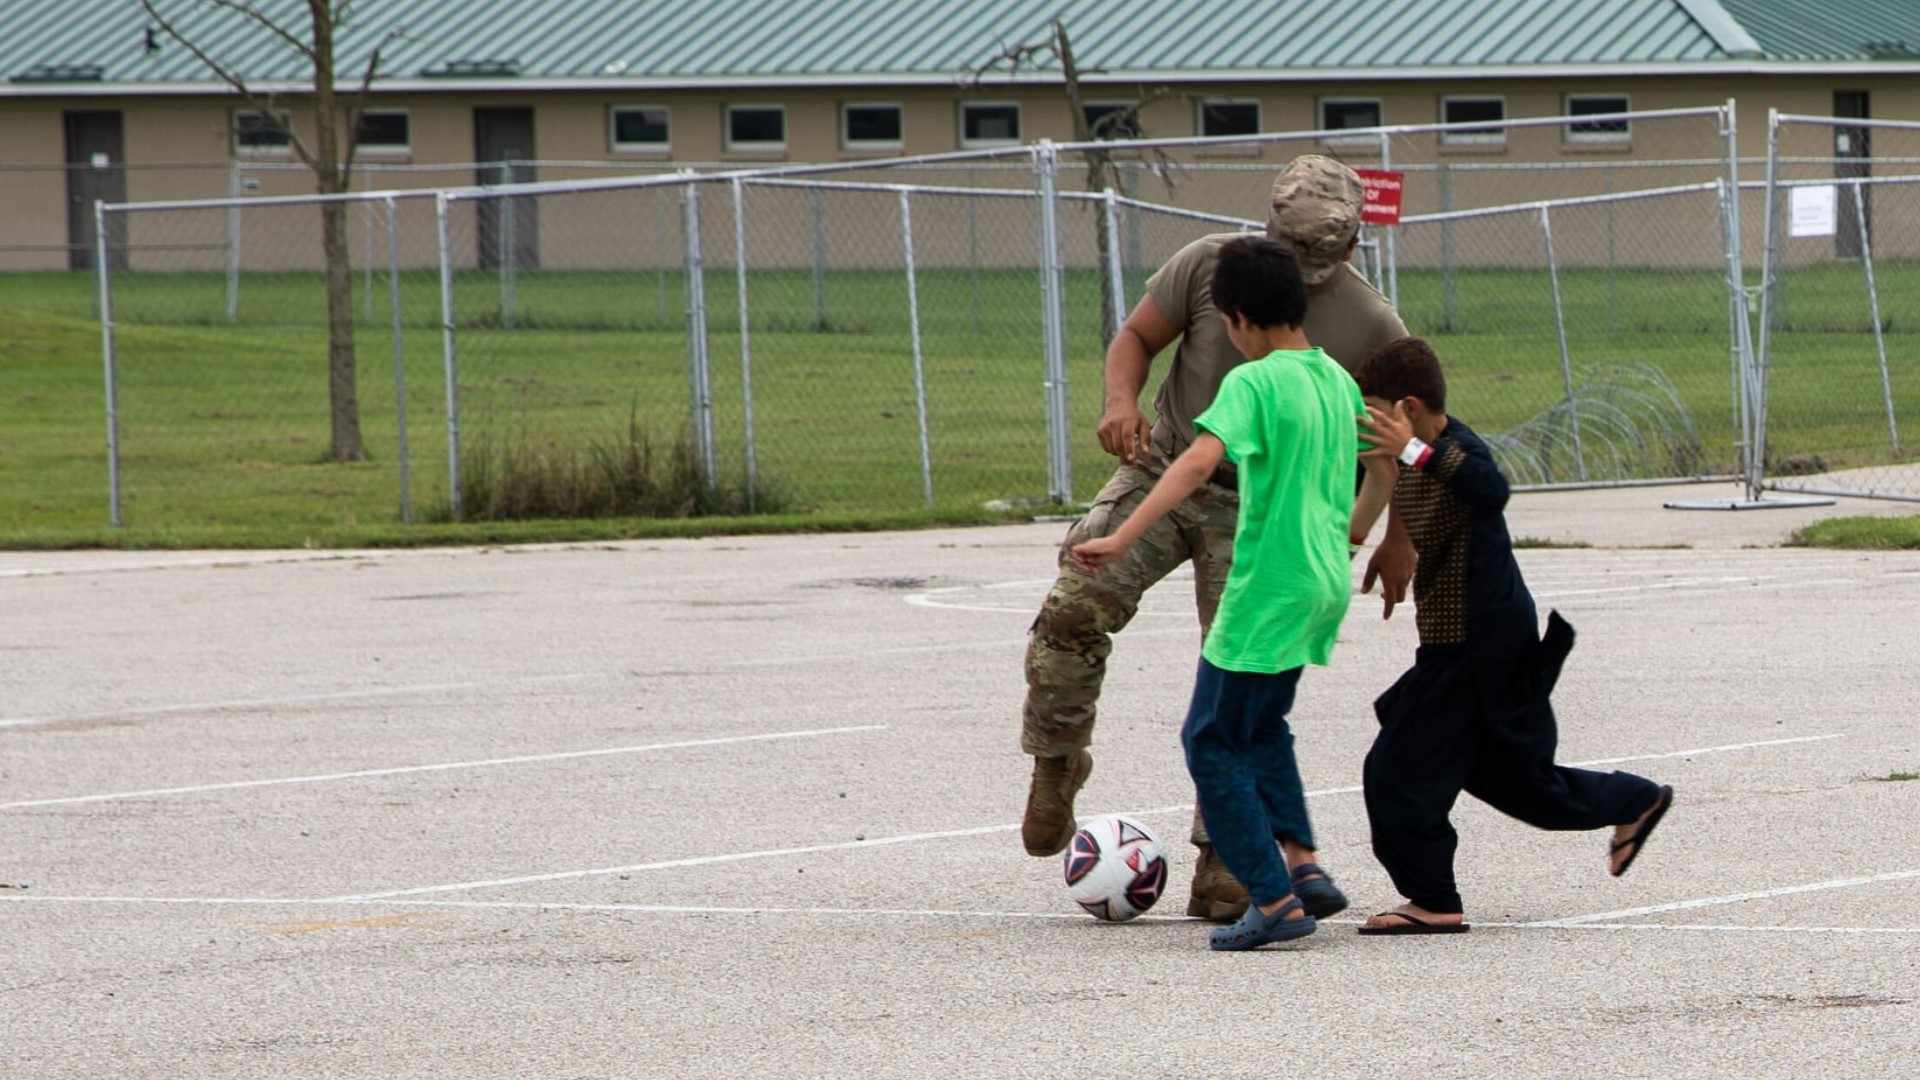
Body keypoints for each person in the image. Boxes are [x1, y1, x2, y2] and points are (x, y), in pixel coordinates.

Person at [1020, 154, 1412, 922]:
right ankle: (1057, 757)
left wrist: (1396, 538)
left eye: (1315, 265)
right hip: (1165, 466)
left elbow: (1405, 439)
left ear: (1350, 249)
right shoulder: (1213, 268)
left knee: (1239, 679)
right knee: (1073, 605)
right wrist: (1119, 401)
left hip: (1256, 503)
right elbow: (1137, 335)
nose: (1298, 274)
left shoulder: (1370, 324)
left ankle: (1228, 858)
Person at [1351, 337, 1675, 935]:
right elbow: (1388, 486)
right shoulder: (1408, 451)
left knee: (1396, 771)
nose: (1367, 422)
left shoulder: (1454, 449)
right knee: (1520, 784)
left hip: (1476, 646)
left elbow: (1491, 490)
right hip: (1469, 645)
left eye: (1375, 409)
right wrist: (1393, 538)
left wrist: (1414, 451)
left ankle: (1433, 900)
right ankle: (1635, 799)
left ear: (1411, 408)